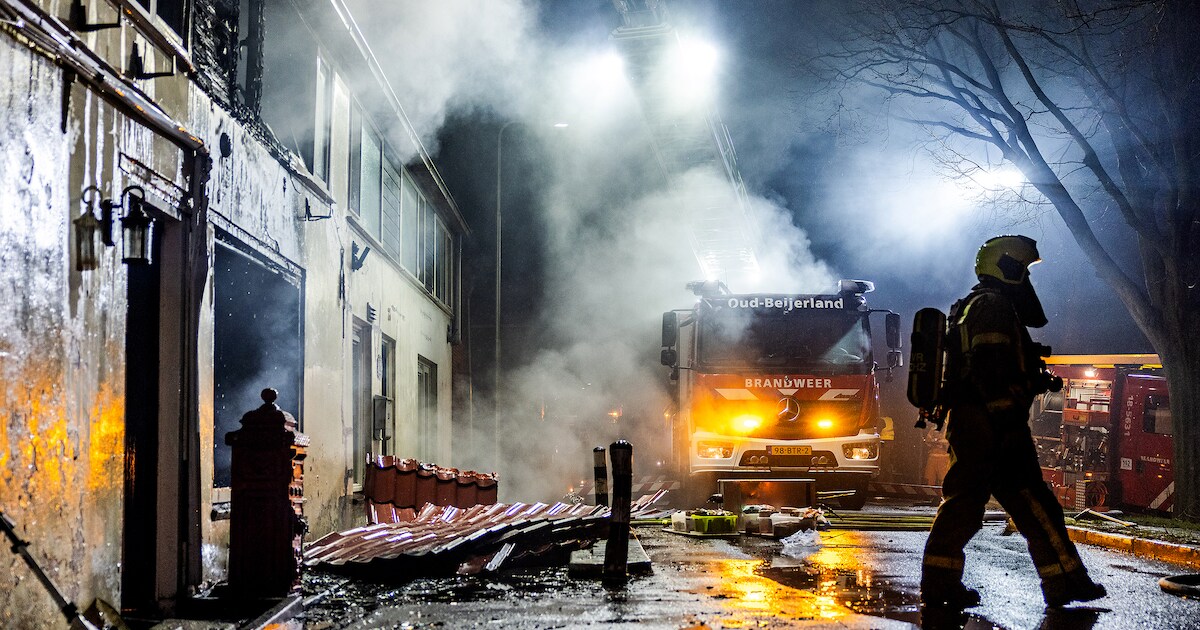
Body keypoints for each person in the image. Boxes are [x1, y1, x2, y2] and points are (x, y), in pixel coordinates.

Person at [920, 235, 1107, 608]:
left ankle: (946, 585)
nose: (1026, 277)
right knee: (1029, 502)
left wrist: (1032, 380)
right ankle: (1065, 582)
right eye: (1023, 268)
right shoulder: (991, 306)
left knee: (973, 504)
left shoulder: (977, 304)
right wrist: (1006, 418)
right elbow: (990, 369)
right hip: (991, 422)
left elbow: (989, 365)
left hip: (977, 421)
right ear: (1007, 266)